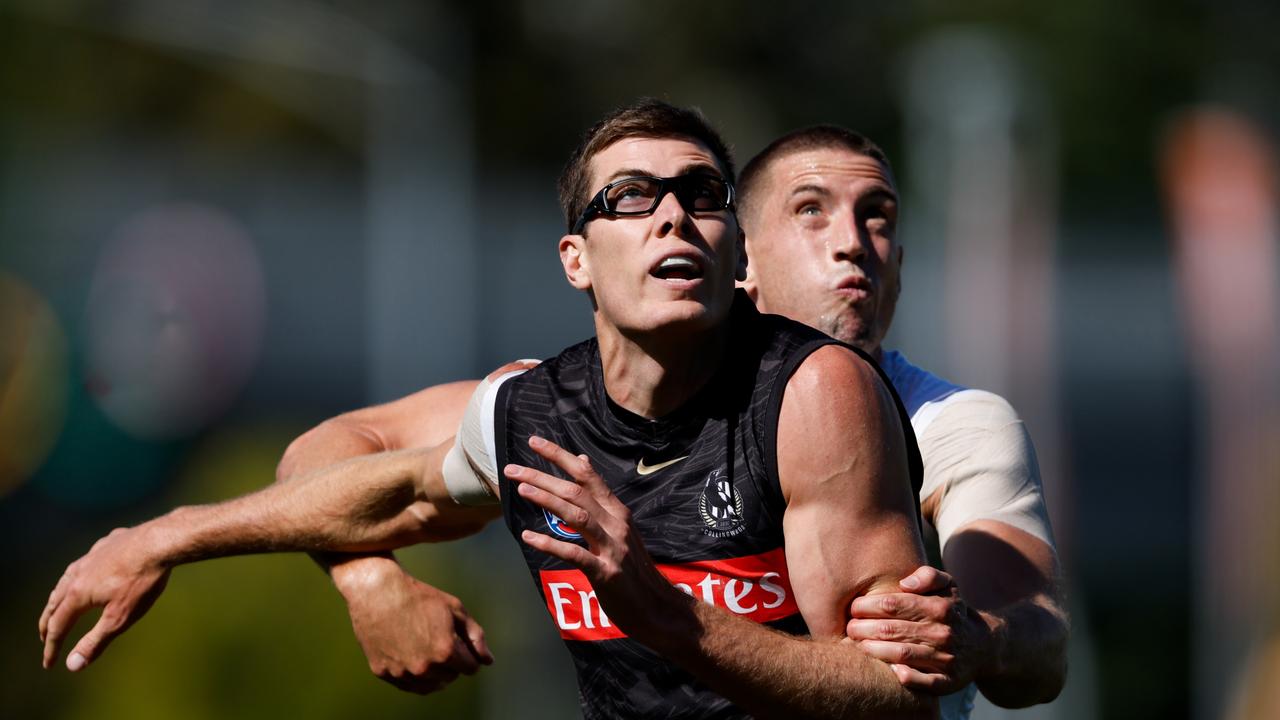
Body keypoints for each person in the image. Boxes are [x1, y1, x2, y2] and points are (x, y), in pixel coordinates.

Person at [40, 99, 938, 719]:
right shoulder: (534, 411)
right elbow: (356, 476)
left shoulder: (814, 394)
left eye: (702, 197)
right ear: (575, 259)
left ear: (731, 244)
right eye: (631, 198)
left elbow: (894, 696)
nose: (673, 216)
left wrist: (667, 618)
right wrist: (348, 577)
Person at [275, 125, 1069, 717]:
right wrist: (370, 580)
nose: (855, 243)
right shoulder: (572, 405)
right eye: (813, 212)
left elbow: (1044, 648)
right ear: (737, 253)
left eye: (880, 216)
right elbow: (327, 455)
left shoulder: (955, 422)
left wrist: (984, 640)